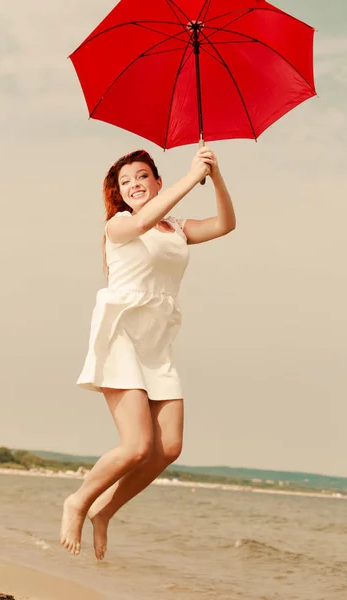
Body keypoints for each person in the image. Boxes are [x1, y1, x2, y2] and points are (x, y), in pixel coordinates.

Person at [60, 145, 236, 559]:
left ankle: (104, 512)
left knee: (168, 448)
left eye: (142, 177)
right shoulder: (120, 224)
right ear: (119, 194)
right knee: (136, 445)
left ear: (157, 181)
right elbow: (142, 222)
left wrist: (214, 175)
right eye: (126, 182)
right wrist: (191, 179)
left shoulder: (176, 227)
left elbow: (227, 224)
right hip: (122, 332)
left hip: (157, 340)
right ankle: (78, 501)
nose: (135, 185)